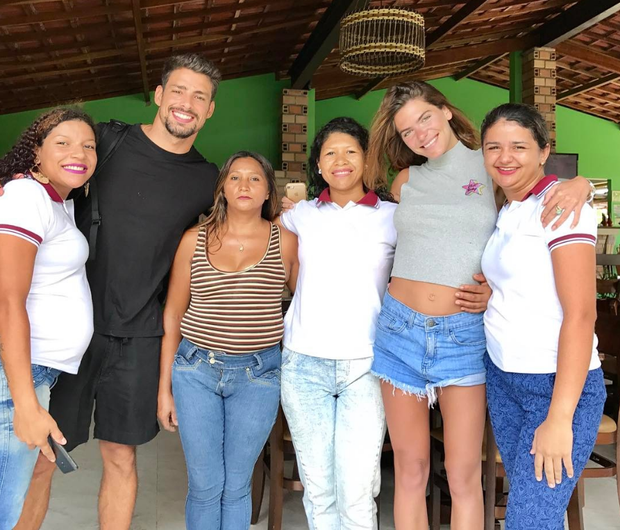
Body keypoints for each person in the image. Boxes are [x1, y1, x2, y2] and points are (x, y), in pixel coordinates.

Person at [365, 81, 594, 529]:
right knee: (410, 471)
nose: (419, 135)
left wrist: (582, 185)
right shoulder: (405, 180)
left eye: (425, 119)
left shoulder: (492, 163)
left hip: (463, 335)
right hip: (398, 333)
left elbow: (536, 191)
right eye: (407, 131)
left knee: (463, 474)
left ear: (446, 111)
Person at [13, 54, 221, 530]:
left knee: (121, 458)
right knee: (42, 458)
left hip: (140, 338)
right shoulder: (105, 141)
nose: (186, 103)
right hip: (71, 332)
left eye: (200, 97)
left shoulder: (206, 180)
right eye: (179, 91)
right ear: (159, 94)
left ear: (209, 111)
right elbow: (41, 173)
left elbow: (233, 233)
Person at [480, 103, 606, 529]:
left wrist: (560, 417)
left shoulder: (562, 209)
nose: (504, 157)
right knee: (531, 512)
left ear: (543, 151)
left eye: (519, 146)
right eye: (493, 146)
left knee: (529, 522)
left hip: (555, 386)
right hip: (503, 376)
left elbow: (581, 314)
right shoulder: (509, 208)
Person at [157, 151, 297, 530]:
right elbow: (172, 314)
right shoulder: (193, 240)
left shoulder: (286, 241)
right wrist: (164, 390)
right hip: (195, 370)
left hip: (259, 375)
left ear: (269, 189)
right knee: (205, 486)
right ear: (222, 188)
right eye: (235, 178)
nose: (244, 185)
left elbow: (308, 301)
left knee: (236, 486)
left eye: (255, 178)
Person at [275, 117, 396, 529]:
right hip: (303, 364)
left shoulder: (394, 217)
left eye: (350, 151)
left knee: (358, 490)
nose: (340, 160)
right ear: (319, 166)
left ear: (367, 160)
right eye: (330, 153)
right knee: (319, 489)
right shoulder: (299, 216)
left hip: (367, 365)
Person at [0, 107, 97, 530]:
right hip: (14, 376)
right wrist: (24, 403)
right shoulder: (27, 196)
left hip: (36, 371)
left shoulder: (57, 203)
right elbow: (7, 298)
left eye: (89, 145)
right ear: (35, 152)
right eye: (63, 142)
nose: (79, 152)